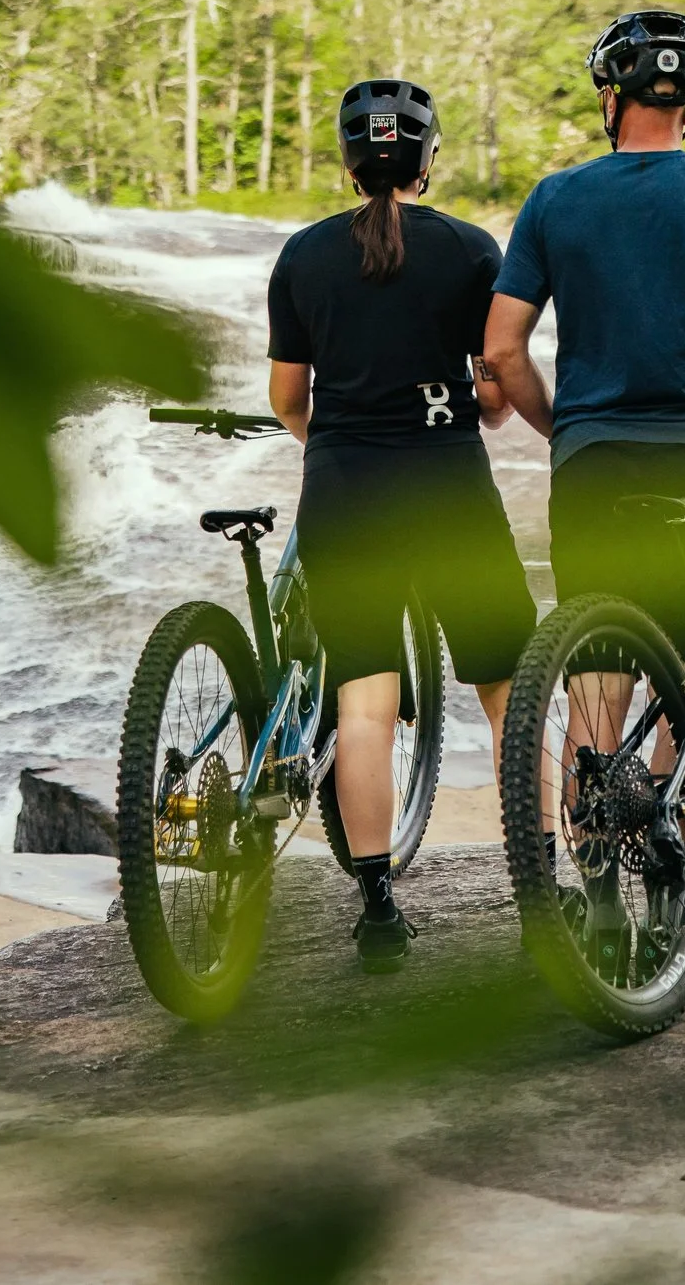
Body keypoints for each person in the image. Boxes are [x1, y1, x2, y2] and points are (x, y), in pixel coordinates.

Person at [267, 77, 537, 973]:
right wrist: (479, 405)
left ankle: (378, 906)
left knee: (365, 704)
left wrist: (342, 440)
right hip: (447, 487)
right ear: (429, 161)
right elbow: (495, 383)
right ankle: (541, 884)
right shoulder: (468, 249)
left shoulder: (302, 256)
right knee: (510, 693)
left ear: (348, 162)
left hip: (344, 491)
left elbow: (287, 399)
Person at [481, 9, 685, 745]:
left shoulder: (554, 198)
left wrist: (566, 426)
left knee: (598, 662)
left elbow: (502, 351)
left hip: (592, 457)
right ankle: (679, 823)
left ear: (609, 99)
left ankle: (593, 835)